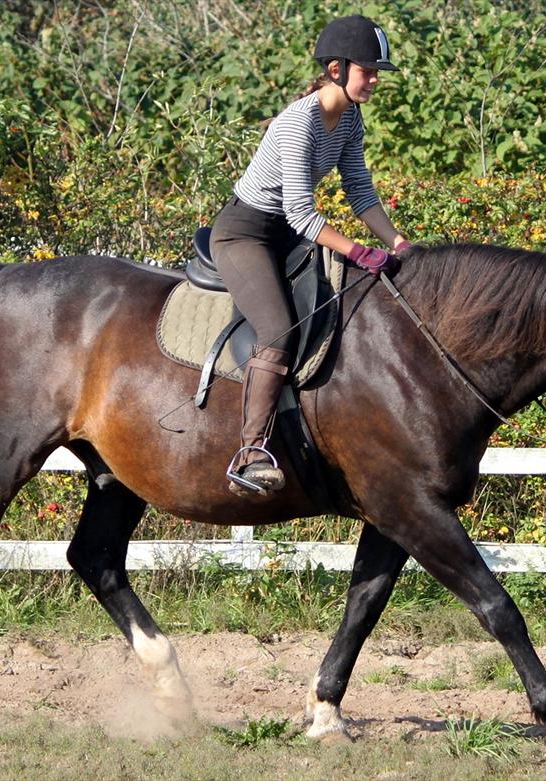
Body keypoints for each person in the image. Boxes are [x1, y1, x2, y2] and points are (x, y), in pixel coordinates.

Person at [211, 14, 411, 497]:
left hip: (289, 234)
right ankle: (251, 451)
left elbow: (360, 192)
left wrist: (399, 243)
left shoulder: (349, 118)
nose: (375, 78)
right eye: (369, 69)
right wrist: (359, 250)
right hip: (246, 234)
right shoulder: (298, 123)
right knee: (278, 328)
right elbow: (300, 211)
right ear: (338, 69)